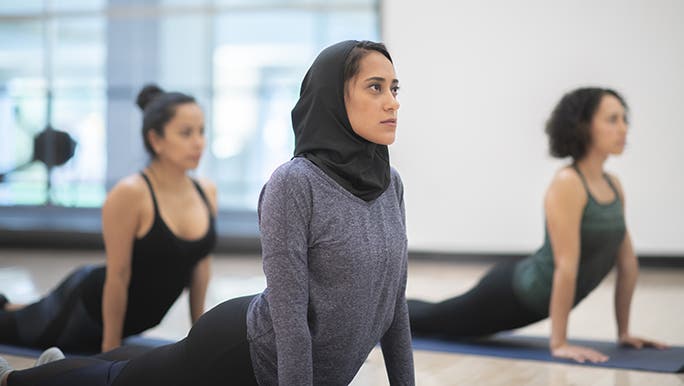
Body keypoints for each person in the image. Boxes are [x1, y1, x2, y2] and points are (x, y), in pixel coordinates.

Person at [0, 39, 414, 386]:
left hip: (289, 367)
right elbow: (290, 323)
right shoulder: (295, 183)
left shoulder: (389, 184)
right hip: (245, 354)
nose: (391, 102)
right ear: (332, 98)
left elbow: (394, 307)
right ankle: (15, 380)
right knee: (120, 381)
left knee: (131, 368)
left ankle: (55, 367)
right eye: (374, 87)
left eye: (394, 88)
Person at [408, 87, 668, 363]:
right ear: (583, 126)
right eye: (612, 120)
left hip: (526, 293)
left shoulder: (613, 185)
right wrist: (559, 343)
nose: (624, 129)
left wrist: (624, 332)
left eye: (624, 119)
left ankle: (385, 311)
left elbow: (628, 265)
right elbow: (565, 267)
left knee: (436, 316)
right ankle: (376, 312)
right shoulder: (569, 182)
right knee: (432, 320)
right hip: (512, 294)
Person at [0, 84, 217, 353]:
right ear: (156, 140)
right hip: (86, 313)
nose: (199, 142)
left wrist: (200, 336)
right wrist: (110, 349)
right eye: (186, 133)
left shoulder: (206, 191)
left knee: (26, 311)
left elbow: (200, 267)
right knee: (11, 326)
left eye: (201, 131)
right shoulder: (130, 194)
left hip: (133, 319)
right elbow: (118, 275)